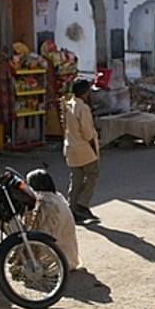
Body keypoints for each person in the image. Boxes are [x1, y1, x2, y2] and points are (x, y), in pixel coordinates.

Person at [24, 168, 83, 271]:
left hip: (57, 262)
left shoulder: (44, 203)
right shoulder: (58, 197)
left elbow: (43, 234)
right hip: (70, 257)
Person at [63, 78, 101, 225]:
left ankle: (72, 208)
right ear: (85, 93)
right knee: (93, 173)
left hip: (70, 147)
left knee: (76, 178)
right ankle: (82, 204)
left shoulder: (68, 105)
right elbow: (87, 132)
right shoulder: (83, 108)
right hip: (83, 147)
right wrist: (94, 145)